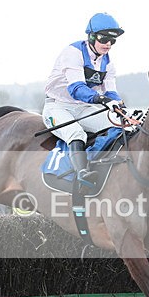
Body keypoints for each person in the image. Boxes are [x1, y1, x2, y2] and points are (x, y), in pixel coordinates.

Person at [43, 12, 126, 186]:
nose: (109, 45)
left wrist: (118, 105)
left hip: (83, 107)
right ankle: (82, 173)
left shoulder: (108, 63)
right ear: (92, 36)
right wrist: (101, 99)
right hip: (58, 107)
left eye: (113, 41)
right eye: (104, 40)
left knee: (119, 126)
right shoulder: (73, 53)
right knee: (76, 133)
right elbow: (76, 88)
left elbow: (111, 91)